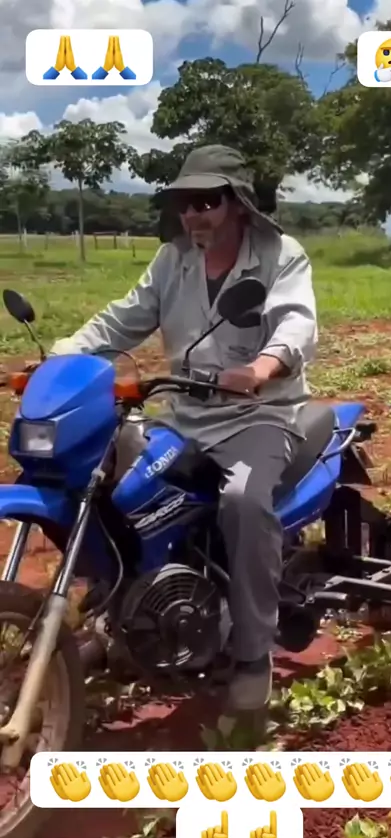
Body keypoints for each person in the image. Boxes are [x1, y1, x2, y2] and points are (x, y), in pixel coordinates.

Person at [50, 144, 318, 714]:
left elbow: (296, 323)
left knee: (243, 501)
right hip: (186, 416)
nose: (194, 214)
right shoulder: (172, 259)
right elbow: (124, 318)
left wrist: (262, 368)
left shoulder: (280, 254)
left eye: (206, 201)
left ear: (237, 203)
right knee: (113, 486)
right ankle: (120, 611)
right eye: (185, 203)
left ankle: (253, 654)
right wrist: (62, 355)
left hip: (259, 416)